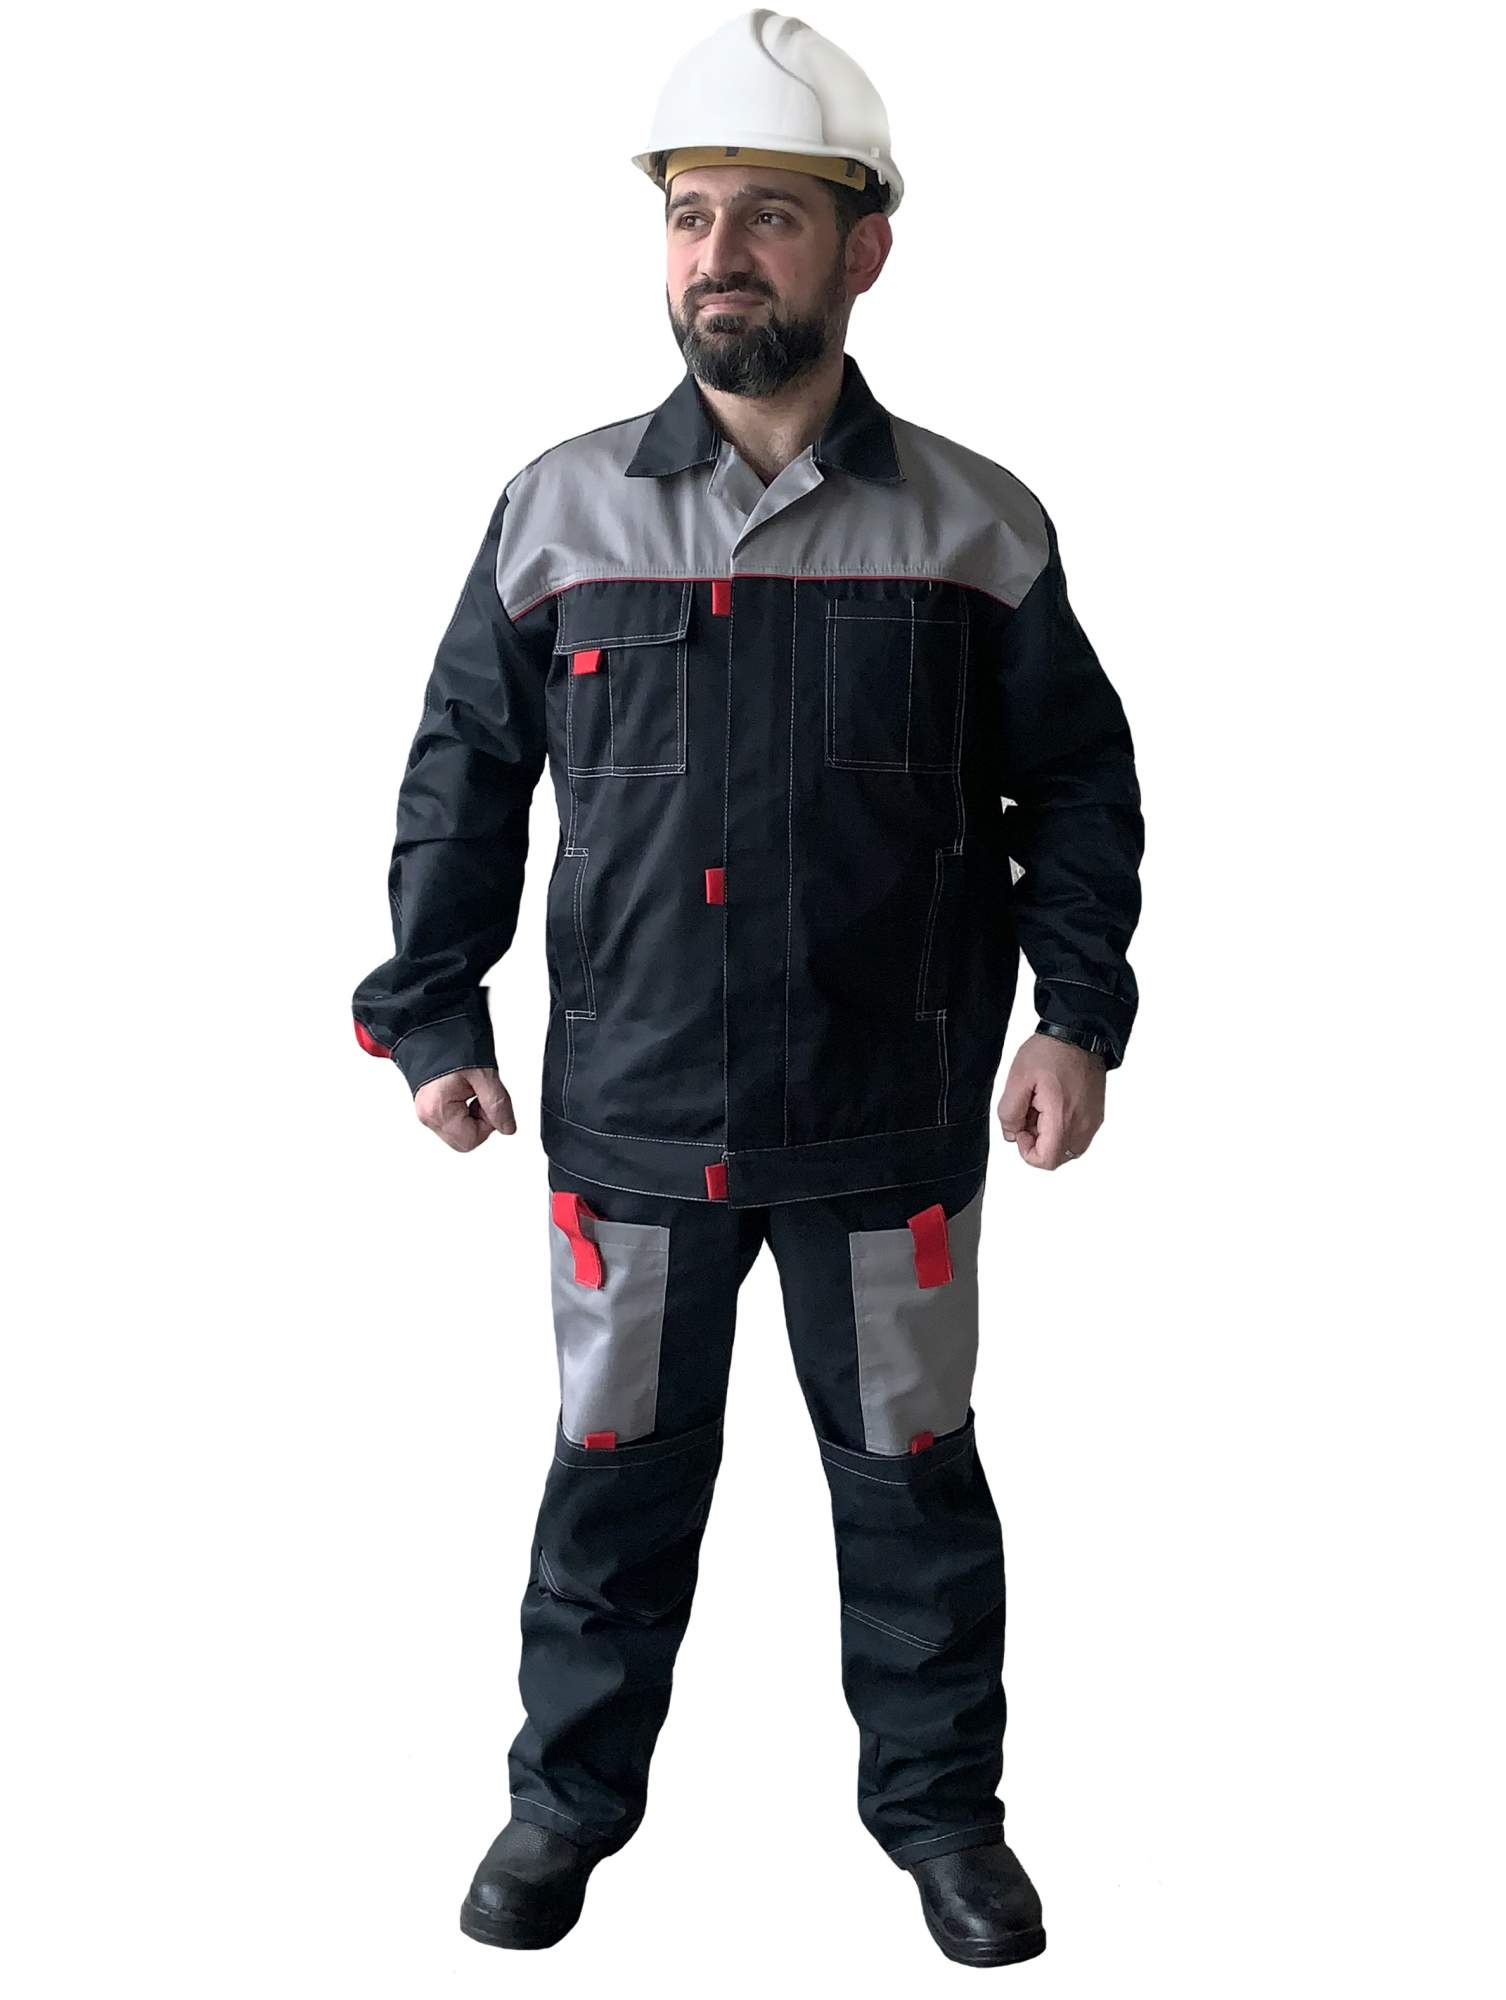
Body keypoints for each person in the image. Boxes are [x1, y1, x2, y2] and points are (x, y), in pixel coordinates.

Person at [352, 8, 1142, 1968]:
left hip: (890, 1120)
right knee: (610, 1485)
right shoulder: (558, 513)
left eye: (768, 216)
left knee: (913, 1488)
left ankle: (943, 1817)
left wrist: (1075, 1014)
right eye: (691, 213)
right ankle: (564, 1806)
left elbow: (1077, 782)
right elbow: (464, 770)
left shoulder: (975, 522)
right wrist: (433, 1012)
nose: (719, 253)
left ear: (864, 247)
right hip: (632, 1121)